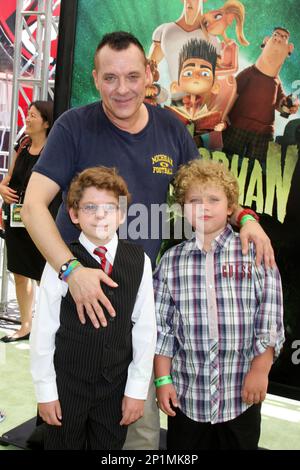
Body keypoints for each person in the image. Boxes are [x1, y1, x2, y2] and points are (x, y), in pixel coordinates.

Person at [22, 31, 274, 450]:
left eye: (132, 76)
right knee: (65, 427)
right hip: (75, 300)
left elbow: (205, 187)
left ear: (149, 76)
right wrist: (71, 272)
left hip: (136, 300)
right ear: (95, 78)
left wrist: (245, 217)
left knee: (136, 429)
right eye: (110, 78)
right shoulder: (73, 126)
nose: (122, 89)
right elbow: (33, 207)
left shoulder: (171, 130)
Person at [153, 159, 285, 450]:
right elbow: (162, 328)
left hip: (241, 394)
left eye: (213, 199)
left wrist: (260, 370)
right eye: (194, 200)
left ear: (230, 207)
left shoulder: (254, 253)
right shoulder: (172, 262)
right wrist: (163, 380)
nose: (204, 207)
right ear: (183, 208)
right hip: (188, 397)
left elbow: (270, 316)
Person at [30, 166, 156, 450]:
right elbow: (43, 332)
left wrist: (136, 391)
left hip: (115, 388)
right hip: (67, 387)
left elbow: (146, 331)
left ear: (122, 214)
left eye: (109, 208)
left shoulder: (140, 261)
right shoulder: (60, 263)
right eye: (90, 207)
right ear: (74, 214)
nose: (100, 215)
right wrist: (46, 392)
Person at [0, 101, 53, 343]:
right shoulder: (23, 146)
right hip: (15, 217)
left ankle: (49, 327)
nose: (27, 119)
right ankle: (25, 324)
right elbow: (9, 178)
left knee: (44, 275)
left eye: (33, 115)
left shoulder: (52, 152)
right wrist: (2, 188)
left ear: (46, 122)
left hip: (41, 220)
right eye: (28, 114)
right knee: (19, 272)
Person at [222, 27, 299, 164]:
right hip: (237, 127)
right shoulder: (248, 74)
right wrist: (222, 118)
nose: (279, 38)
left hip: (263, 135)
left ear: (290, 49)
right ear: (266, 41)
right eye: (276, 34)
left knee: (257, 168)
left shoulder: (276, 83)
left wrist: (289, 106)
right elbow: (231, 95)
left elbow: (280, 104)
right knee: (227, 160)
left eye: (284, 37)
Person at [149, 0, 220, 86]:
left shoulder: (212, 39)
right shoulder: (163, 32)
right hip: (175, 95)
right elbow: (149, 68)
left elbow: (217, 78)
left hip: (201, 96)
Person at [201, 0, 249, 120]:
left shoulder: (232, 45)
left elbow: (234, 68)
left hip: (225, 84)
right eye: (207, 23)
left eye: (217, 17)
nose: (210, 25)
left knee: (215, 114)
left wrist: (214, 71)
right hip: (212, 80)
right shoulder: (218, 44)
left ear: (230, 19)